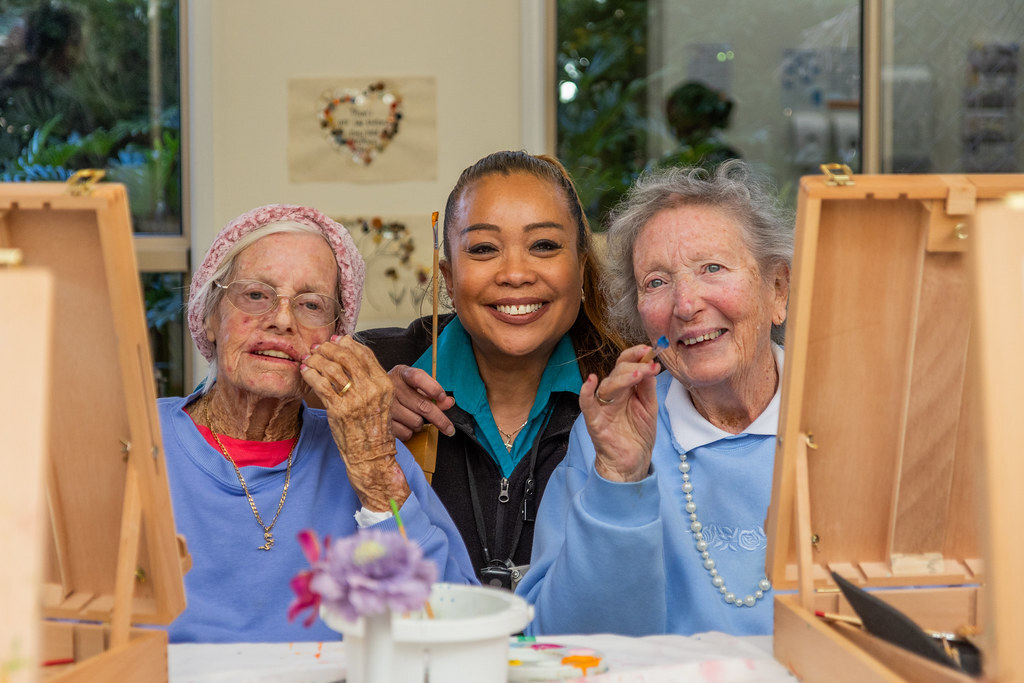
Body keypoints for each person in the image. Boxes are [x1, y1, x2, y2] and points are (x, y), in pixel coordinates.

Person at [161, 204, 475, 643]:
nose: (283, 319)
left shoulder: (372, 454)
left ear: (335, 338)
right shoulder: (136, 440)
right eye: (255, 295)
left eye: (311, 305)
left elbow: (456, 628)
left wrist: (375, 472)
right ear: (210, 316)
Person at [516, 159, 793, 636]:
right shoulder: (610, 435)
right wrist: (620, 480)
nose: (685, 305)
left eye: (712, 268)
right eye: (657, 283)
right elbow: (559, 638)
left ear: (777, 290)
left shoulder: (852, 421)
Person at [358, 151, 623, 589]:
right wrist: (360, 417)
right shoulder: (378, 368)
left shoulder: (632, 392)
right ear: (448, 275)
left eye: (544, 246)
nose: (515, 274)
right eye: (483, 249)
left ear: (581, 268)